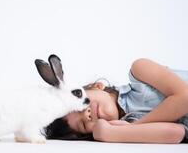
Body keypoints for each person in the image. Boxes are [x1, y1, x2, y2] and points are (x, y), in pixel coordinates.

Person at [43, 58, 188, 144]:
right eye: (82, 124)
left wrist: (133, 127)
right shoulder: (126, 126)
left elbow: (185, 97)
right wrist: (110, 133)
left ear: (96, 86)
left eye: (81, 106)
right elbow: (176, 133)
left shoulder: (140, 72)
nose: (87, 115)